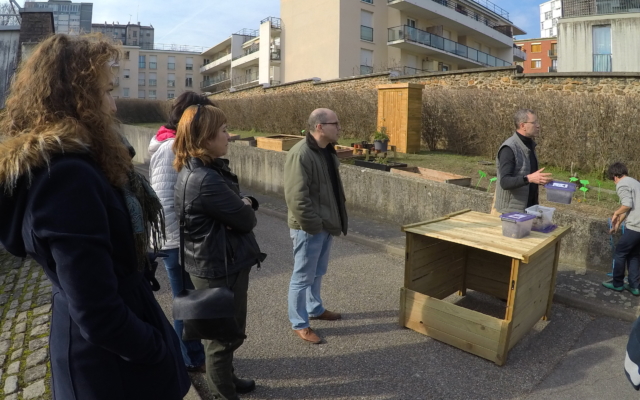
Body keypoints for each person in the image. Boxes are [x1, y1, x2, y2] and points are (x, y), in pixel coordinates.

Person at [0, 34, 190, 399]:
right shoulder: (67, 177)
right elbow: (97, 313)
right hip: (110, 367)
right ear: (78, 99)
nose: (113, 106)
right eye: (107, 92)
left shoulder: (76, 165)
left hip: (111, 352)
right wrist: (154, 348)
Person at [173, 105, 264, 400]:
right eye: (223, 130)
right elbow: (246, 219)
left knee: (224, 333)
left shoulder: (199, 170)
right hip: (219, 268)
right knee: (223, 338)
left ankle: (228, 379)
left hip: (215, 262)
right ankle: (224, 394)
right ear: (205, 137)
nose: (229, 136)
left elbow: (235, 206)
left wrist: (241, 203)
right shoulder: (205, 179)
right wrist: (244, 205)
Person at [149, 91, 216, 373]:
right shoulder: (170, 149)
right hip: (175, 241)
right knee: (187, 303)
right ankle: (189, 358)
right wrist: (177, 241)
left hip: (182, 238)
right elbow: (163, 201)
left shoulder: (181, 146)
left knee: (190, 301)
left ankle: (189, 355)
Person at [284, 108, 348, 344]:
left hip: (325, 225)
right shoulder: (301, 154)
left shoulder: (327, 151)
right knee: (302, 277)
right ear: (320, 127)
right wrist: (313, 225)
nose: (339, 128)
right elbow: (296, 198)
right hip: (308, 228)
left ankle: (315, 308)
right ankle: (299, 323)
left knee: (317, 272)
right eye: (335, 124)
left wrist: (329, 223)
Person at [494, 109, 552, 214]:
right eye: (534, 123)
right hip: (512, 212)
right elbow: (505, 182)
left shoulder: (529, 146)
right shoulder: (509, 148)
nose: (538, 126)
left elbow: (527, 175)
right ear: (522, 125)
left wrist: (539, 180)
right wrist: (529, 178)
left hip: (529, 209)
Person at [603, 162, 640, 296]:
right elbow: (631, 207)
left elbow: (627, 205)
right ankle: (635, 286)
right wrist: (618, 222)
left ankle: (617, 283)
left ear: (614, 176)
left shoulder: (622, 184)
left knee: (620, 252)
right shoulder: (634, 182)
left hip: (636, 226)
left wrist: (616, 213)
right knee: (634, 255)